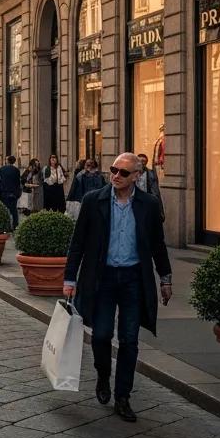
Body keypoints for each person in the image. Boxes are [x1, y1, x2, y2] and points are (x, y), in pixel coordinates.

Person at [63, 152, 172, 423]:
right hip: (103, 279)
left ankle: (123, 397)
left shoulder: (148, 204)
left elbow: (158, 245)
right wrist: (69, 279)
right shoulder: (94, 201)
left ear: (137, 175)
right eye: (113, 170)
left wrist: (165, 278)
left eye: (123, 172)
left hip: (134, 279)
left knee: (129, 340)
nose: (115, 176)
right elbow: (77, 243)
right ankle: (102, 374)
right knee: (100, 336)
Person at [0, 156, 22, 231]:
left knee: (4, 209)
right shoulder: (16, 170)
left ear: (7, 161)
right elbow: (18, 182)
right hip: (13, 192)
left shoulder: (1, 169)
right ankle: (15, 225)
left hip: (4, 191)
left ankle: (5, 225)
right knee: (14, 210)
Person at [136, 153, 164, 220]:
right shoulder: (132, 173)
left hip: (146, 203)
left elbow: (156, 192)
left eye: (144, 161)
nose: (142, 163)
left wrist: (160, 210)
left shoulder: (151, 174)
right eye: (140, 161)